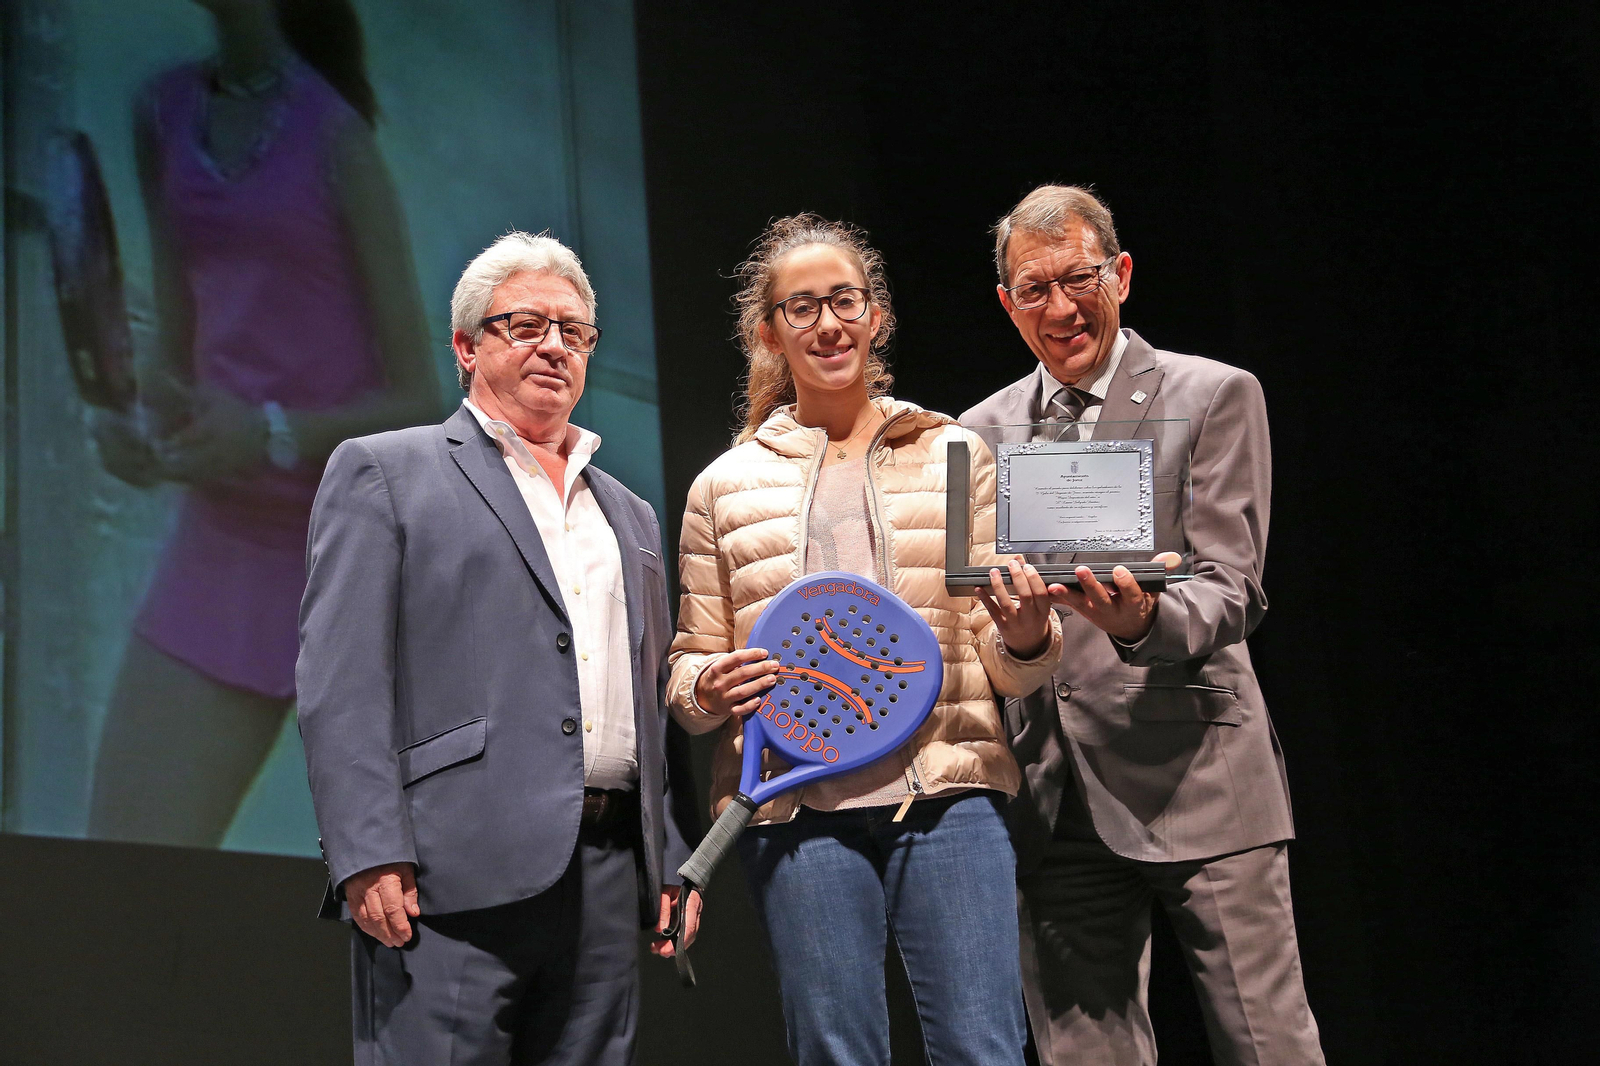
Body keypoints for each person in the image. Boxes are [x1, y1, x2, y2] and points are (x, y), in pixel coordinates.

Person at [668, 214, 1064, 1066]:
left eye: (843, 300)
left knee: (983, 1050)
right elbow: (689, 671)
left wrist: (1030, 638)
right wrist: (707, 689)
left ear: (875, 315)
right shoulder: (723, 487)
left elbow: (1006, 665)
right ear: (769, 332)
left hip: (949, 796)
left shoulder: (958, 456)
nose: (827, 324)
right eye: (801, 307)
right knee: (835, 1053)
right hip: (796, 811)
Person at [297, 232, 701, 1064]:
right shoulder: (385, 471)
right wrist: (367, 851)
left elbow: (645, 700)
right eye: (524, 325)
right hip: (448, 873)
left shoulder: (630, 514)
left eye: (575, 331)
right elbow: (341, 683)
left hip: (605, 870)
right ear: (466, 346)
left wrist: (670, 852)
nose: (554, 345)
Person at [962, 184, 1325, 1066]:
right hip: (1055, 792)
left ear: (1120, 274)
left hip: (1198, 766)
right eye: (1034, 290)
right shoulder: (977, 432)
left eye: (1079, 278)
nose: (1061, 307)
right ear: (1008, 306)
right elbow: (981, 612)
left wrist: (1142, 619)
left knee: (1265, 1041)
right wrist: (1011, 638)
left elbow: (1233, 586)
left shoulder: (1213, 395)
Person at [87, 0, 440, 845]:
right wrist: (145, 425)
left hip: (347, 553)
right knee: (119, 870)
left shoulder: (335, 138)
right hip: (220, 541)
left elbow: (424, 404)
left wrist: (269, 433)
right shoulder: (161, 112)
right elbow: (180, 356)